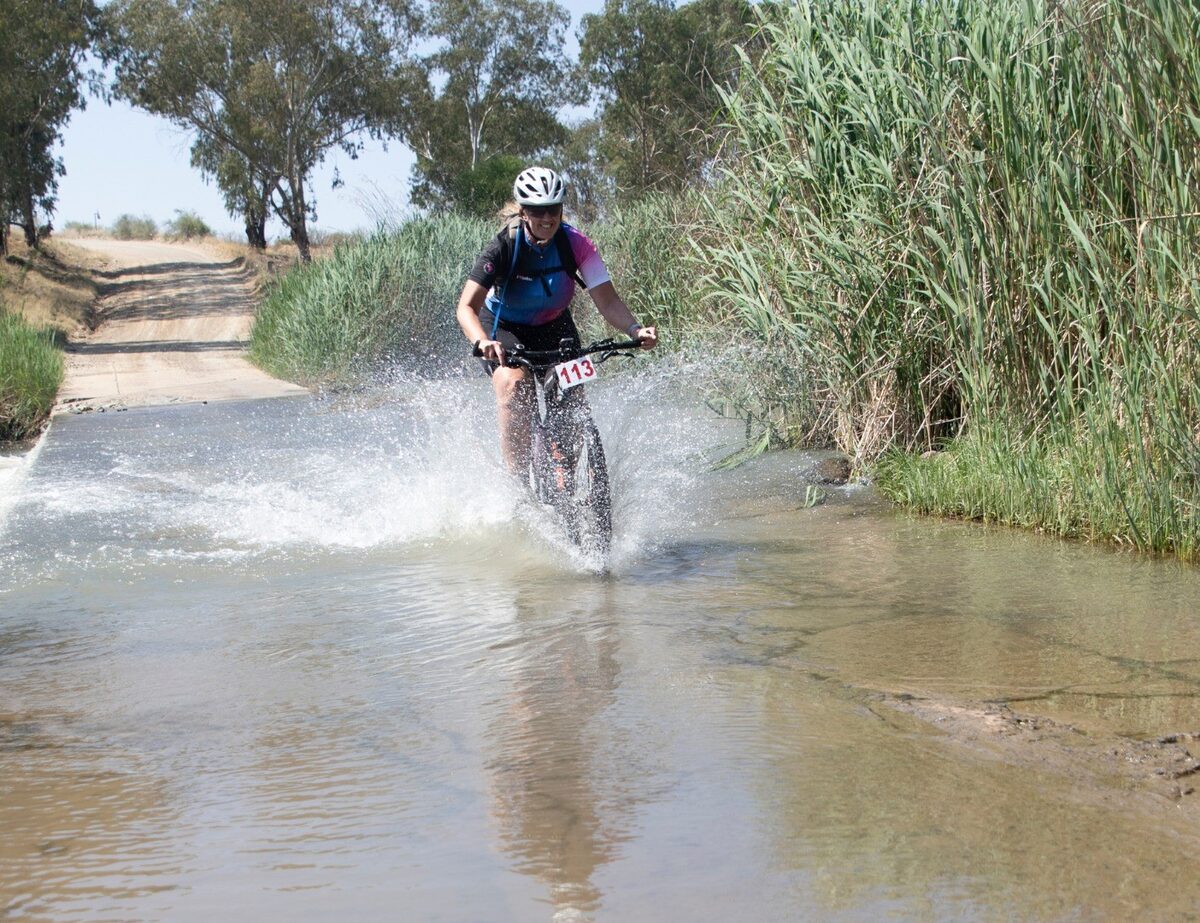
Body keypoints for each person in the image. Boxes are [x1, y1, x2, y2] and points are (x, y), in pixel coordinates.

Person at [455, 166, 657, 476]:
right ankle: (519, 481)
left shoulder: (575, 244)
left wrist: (634, 328)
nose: (547, 218)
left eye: (554, 209)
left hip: (554, 326)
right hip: (504, 327)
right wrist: (482, 342)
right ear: (524, 212)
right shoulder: (504, 246)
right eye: (538, 210)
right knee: (514, 386)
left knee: (573, 394)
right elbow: (466, 307)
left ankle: (568, 478)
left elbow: (608, 300)